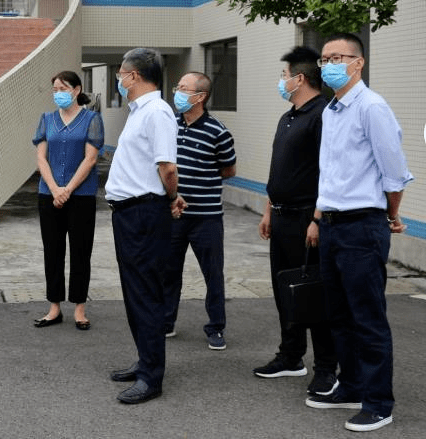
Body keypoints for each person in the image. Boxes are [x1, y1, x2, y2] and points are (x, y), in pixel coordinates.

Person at [304, 33, 413, 433]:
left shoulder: (372, 107)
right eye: (325, 58)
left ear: (358, 63)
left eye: (338, 57)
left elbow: (394, 172)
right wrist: (318, 217)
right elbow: (331, 174)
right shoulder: (332, 110)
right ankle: (349, 386)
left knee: (367, 318)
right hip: (332, 225)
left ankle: (378, 402)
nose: (329, 63)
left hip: (362, 226)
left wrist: (390, 215)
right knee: (340, 316)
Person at [254, 47, 338, 396]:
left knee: (312, 293)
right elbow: (281, 170)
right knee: (285, 290)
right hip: (283, 215)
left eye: (284, 74)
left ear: (299, 78)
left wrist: (317, 219)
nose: (281, 80)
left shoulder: (323, 116)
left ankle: (326, 369)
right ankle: (290, 356)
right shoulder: (289, 116)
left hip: (308, 218)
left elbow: (327, 173)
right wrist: (269, 209)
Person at [105, 48, 185, 404]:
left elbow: (167, 168)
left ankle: (152, 376)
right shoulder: (140, 112)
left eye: (121, 74)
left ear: (133, 76)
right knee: (135, 293)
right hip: (129, 213)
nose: (119, 81)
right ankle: (144, 361)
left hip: (145, 213)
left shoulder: (157, 112)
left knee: (147, 295)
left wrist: (171, 198)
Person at [163, 72, 236, 350]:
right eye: (177, 86)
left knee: (213, 274)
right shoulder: (170, 125)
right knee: (169, 271)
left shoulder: (218, 131)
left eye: (183, 88)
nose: (177, 92)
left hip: (206, 217)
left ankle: (216, 327)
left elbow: (228, 169)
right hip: (174, 215)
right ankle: (166, 322)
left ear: (200, 96)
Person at [32, 71, 104, 331]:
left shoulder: (91, 119)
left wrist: (68, 189)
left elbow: (91, 158)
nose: (58, 93)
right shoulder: (46, 119)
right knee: (52, 251)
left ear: (76, 90)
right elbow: (41, 158)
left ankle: (80, 308)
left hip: (81, 196)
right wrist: (54, 189)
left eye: (62, 88)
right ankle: (54, 307)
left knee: (80, 251)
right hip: (48, 194)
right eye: (54, 89)